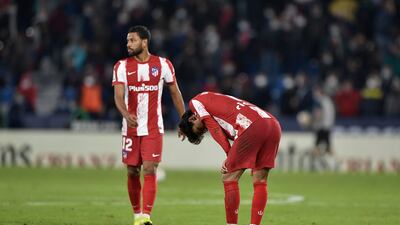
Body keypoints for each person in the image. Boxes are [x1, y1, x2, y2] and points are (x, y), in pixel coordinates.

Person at [112, 25, 185, 225]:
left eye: (132, 40)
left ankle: (145, 216)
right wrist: (126, 114)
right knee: (132, 171)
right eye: (127, 40)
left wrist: (184, 120)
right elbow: (118, 96)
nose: (128, 44)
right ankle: (136, 214)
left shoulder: (163, 65)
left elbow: (175, 93)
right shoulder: (121, 66)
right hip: (131, 128)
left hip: (153, 127)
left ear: (144, 42)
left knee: (150, 168)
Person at [179, 92, 281, 225]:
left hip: (251, 125)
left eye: (199, 129)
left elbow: (213, 127)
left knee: (228, 177)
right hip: (272, 123)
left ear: (193, 118)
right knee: (260, 179)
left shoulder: (195, 103)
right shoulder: (211, 98)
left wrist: (228, 153)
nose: (204, 130)